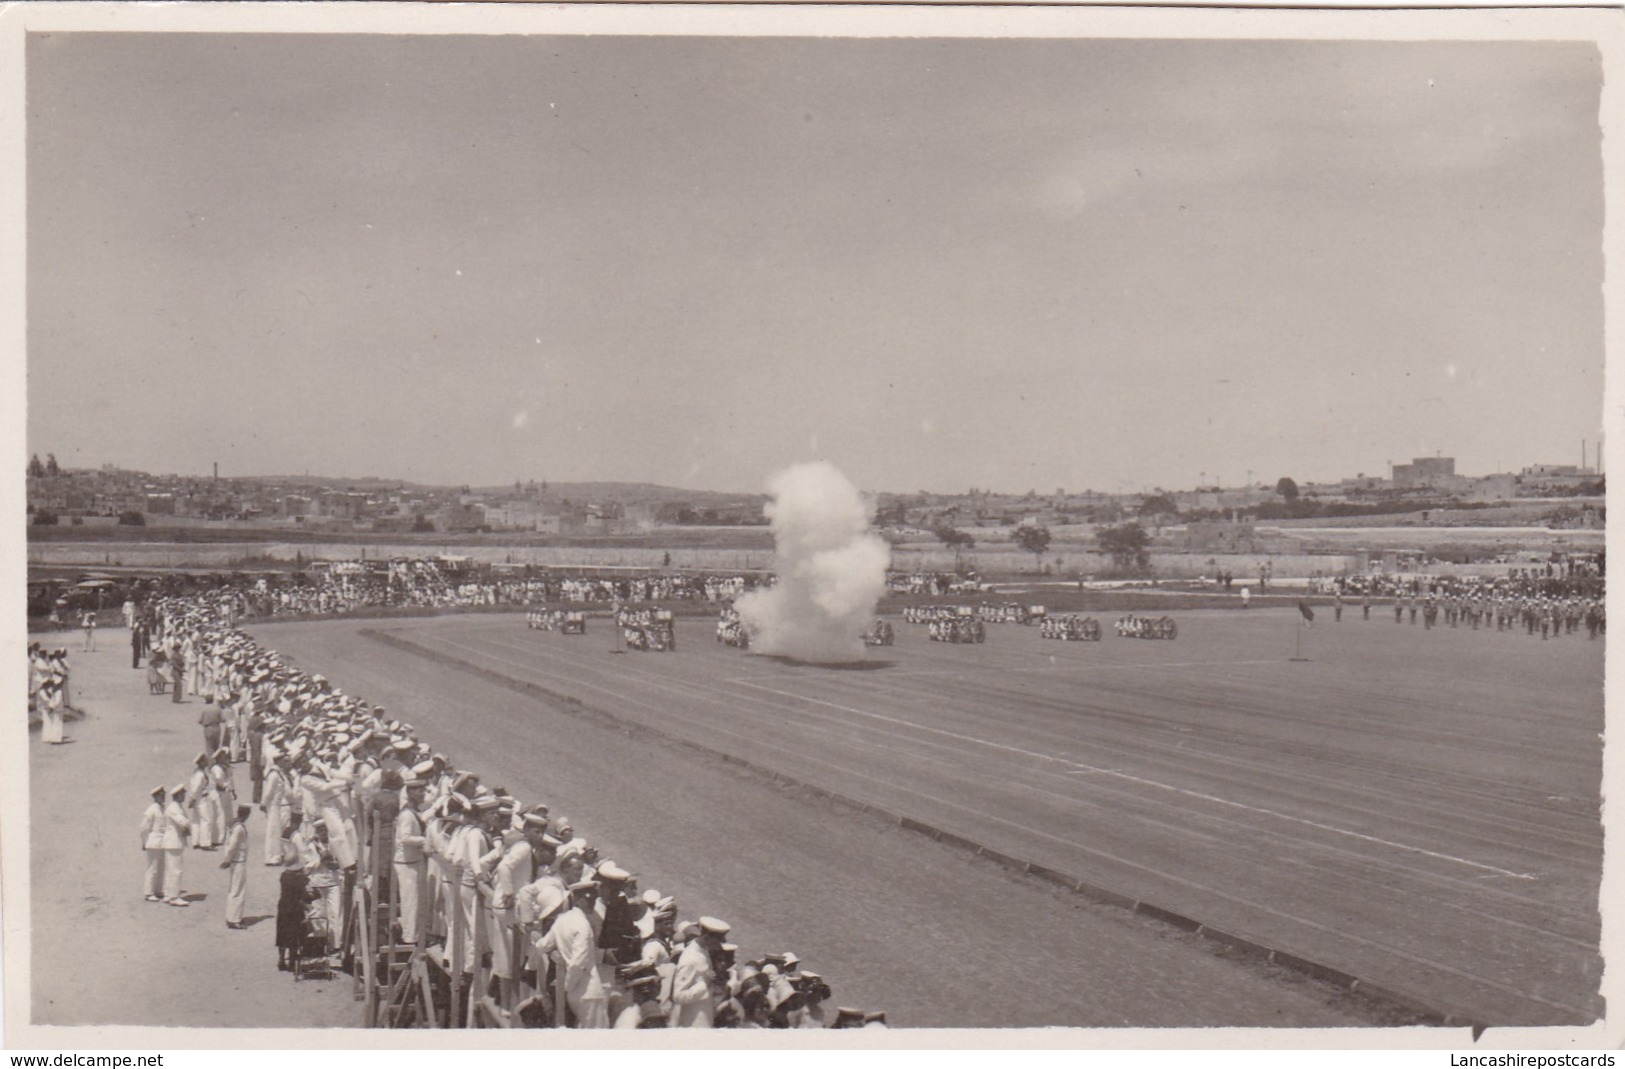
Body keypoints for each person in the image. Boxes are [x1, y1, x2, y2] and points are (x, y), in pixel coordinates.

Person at [672, 916, 730, 1028]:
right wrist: (704, 983)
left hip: (704, 1019)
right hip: (692, 1024)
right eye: (717, 941)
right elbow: (678, 996)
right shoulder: (690, 958)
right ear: (706, 937)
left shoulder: (704, 951)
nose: (719, 945)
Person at [219, 804, 251, 929]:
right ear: (246, 814)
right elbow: (232, 846)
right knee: (238, 890)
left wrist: (227, 859)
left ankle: (231, 916)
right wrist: (228, 859)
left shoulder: (233, 824)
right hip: (238, 861)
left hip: (235, 861)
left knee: (234, 889)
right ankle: (234, 919)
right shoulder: (239, 828)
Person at [161, 784, 192, 906]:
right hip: (174, 842)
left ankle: (169, 894)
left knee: (171, 869)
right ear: (178, 795)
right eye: (182, 794)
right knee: (176, 870)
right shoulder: (173, 807)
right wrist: (192, 825)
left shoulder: (177, 806)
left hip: (174, 841)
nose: (184, 796)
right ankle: (174, 897)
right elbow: (182, 821)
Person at [140, 786, 168, 903]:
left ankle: (158, 890)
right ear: (155, 797)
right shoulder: (152, 809)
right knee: (152, 868)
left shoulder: (164, 808)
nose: (162, 797)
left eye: (163, 795)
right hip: (153, 841)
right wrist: (144, 842)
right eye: (160, 796)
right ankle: (148, 892)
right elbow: (144, 828)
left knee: (161, 868)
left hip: (162, 842)